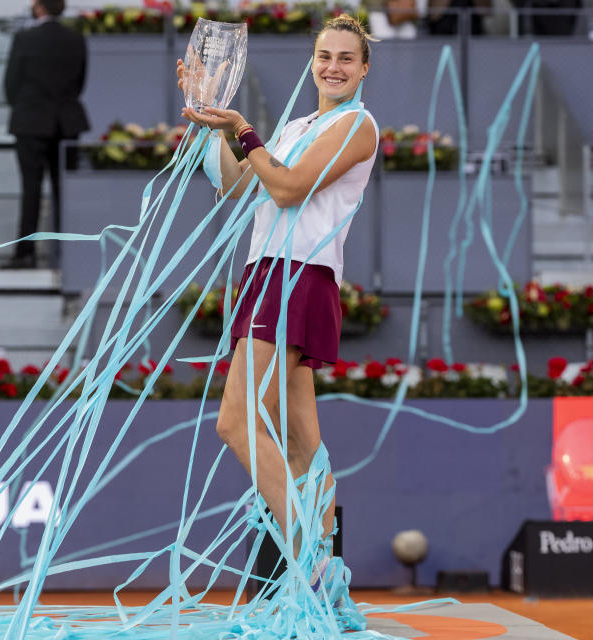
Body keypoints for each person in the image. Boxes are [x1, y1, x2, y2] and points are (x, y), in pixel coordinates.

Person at [178, 15, 378, 587]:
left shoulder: (357, 124)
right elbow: (238, 187)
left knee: (235, 425)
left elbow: (288, 189)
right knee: (300, 444)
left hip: (295, 275)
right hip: (271, 274)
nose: (333, 67)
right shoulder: (295, 126)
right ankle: (327, 579)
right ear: (312, 62)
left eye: (345, 58)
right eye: (325, 56)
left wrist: (243, 127)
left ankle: (311, 568)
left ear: (364, 69)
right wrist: (207, 120)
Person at [0, 0, 90, 269]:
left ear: (39, 8)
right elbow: (80, 82)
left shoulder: (25, 39)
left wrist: (29, 107)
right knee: (65, 192)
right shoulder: (76, 39)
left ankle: (26, 254)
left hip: (31, 122)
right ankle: (66, 257)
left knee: (31, 190)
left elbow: (10, 85)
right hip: (66, 123)